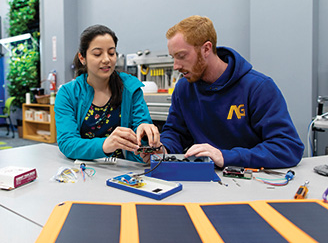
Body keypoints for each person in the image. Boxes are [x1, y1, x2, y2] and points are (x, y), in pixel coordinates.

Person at [160, 15, 304, 168]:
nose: (176, 66)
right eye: (173, 58)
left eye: (181, 56)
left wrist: (226, 156)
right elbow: (176, 133)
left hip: (252, 181)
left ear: (206, 49)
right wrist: (162, 149)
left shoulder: (258, 87)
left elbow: (288, 147)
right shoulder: (183, 89)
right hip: (207, 181)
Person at [55, 24, 160, 162]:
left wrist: (146, 137)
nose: (106, 59)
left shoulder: (130, 88)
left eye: (111, 53)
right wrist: (105, 145)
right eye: (97, 54)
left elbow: (141, 128)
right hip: (84, 168)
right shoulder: (68, 94)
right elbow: (68, 143)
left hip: (123, 171)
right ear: (82, 58)